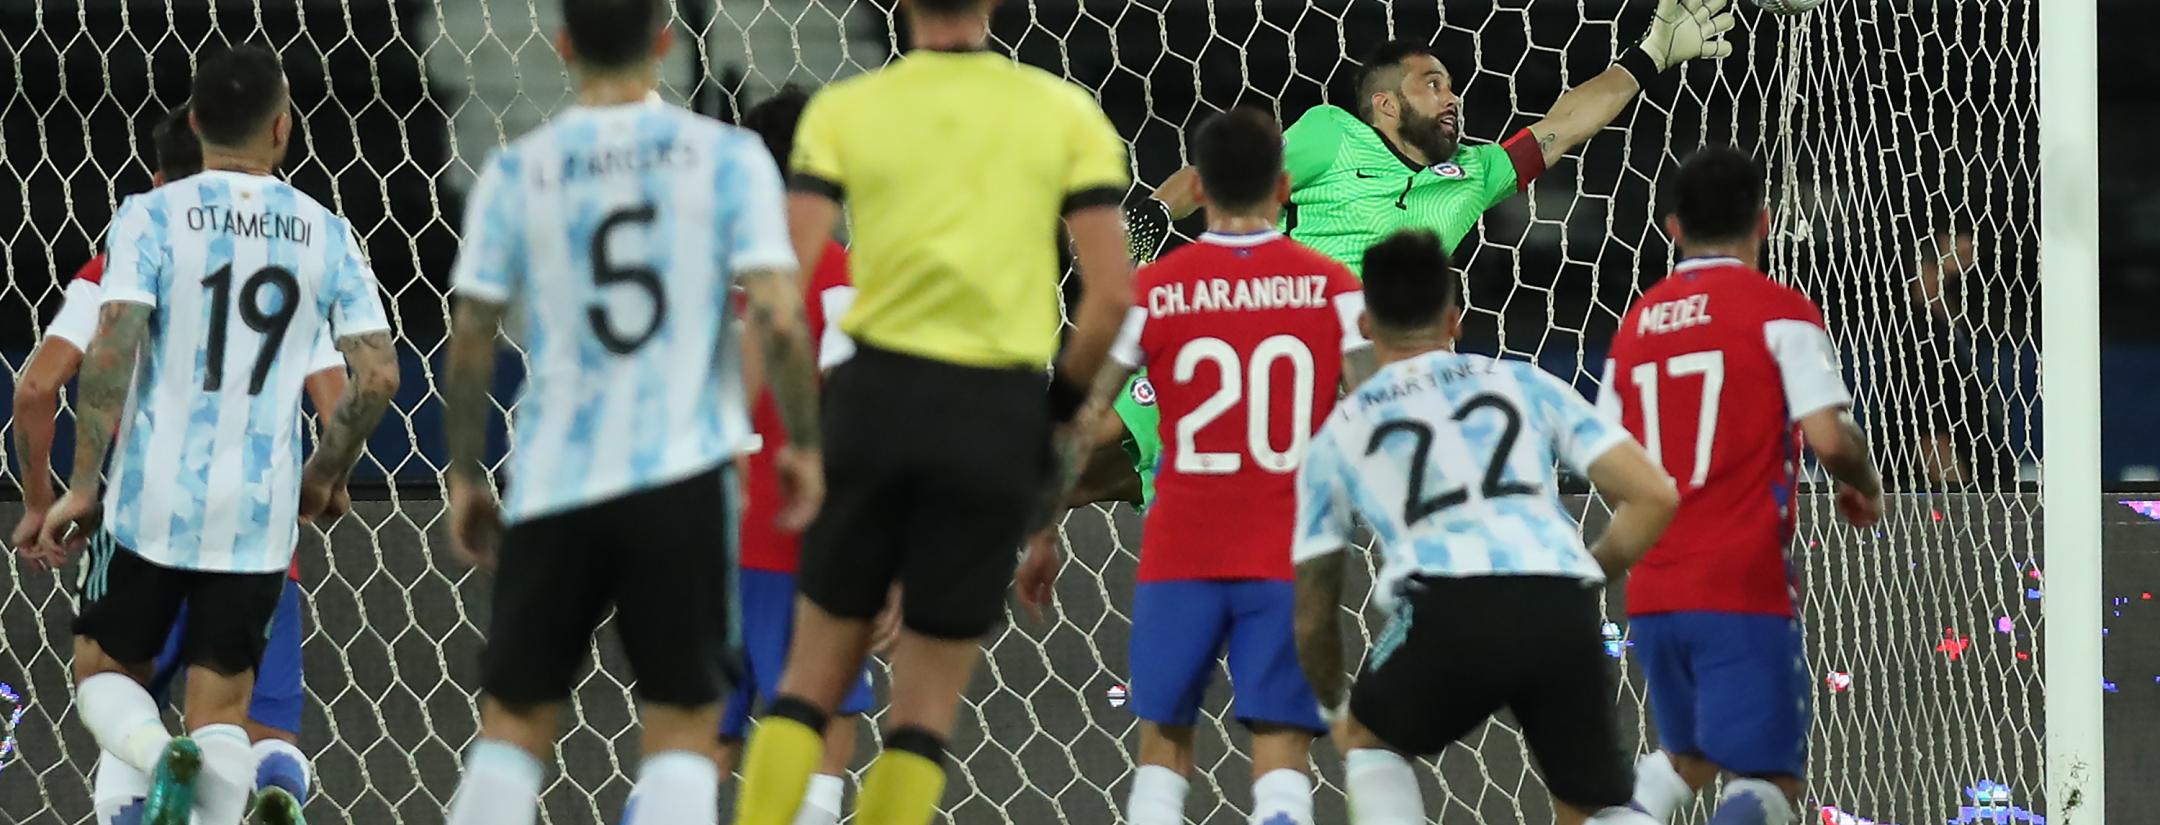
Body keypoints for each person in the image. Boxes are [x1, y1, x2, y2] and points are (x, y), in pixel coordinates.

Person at [729, 0, 1136, 820]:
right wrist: (1049, 417)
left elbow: (777, 294)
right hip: (993, 410)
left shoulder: (846, 111)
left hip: (873, 402)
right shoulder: (1063, 111)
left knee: (807, 686)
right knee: (921, 714)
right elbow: (1111, 301)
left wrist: (800, 439)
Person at [436, 0, 824, 822]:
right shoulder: (725, 159)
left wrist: (465, 473)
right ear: (666, 41)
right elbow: (782, 317)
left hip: (552, 478)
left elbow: (470, 335)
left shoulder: (518, 168)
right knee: (684, 728)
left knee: (511, 723)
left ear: (563, 44)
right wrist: (804, 445)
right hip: (681, 475)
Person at [34, 43, 402, 825]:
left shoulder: (149, 216)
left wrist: (83, 483)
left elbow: (113, 348)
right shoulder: (325, 232)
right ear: (283, 128)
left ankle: (154, 755)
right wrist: (325, 474)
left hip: (151, 502)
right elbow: (376, 377)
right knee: (226, 711)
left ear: (195, 123)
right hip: (259, 515)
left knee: (105, 675)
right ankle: (236, 793)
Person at [1043, 108, 1367, 825]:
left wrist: (1040, 526)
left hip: (1181, 548)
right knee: (1282, 744)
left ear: (1197, 184)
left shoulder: (1153, 293)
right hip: (1289, 549)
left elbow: (1078, 416)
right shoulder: (1334, 290)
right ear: (1285, 188)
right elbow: (1380, 407)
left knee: (1164, 739)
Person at [1290, 230, 1678, 825]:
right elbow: (1653, 494)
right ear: (1454, 320)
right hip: (1559, 602)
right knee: (1589, 806)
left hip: (1448, 604)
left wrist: (1334, 706)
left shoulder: (1342, 431)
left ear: (1365, 325)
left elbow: (1313, 608)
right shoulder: (1523, 383)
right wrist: (1587, 574)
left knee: (1369, 742)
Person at [1597, 147, 1883, 825]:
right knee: (1769, 777)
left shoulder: (1636, 325)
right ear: (1765, 220)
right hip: (1743, 585)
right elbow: (1830, 437)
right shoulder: (1779, 310)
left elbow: (1607, 461)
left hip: (1656, 591)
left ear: (1673, 227)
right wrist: (1865, 483)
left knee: (1687, 755)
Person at [1145, 0, 1737, 271]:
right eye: (1432, 85)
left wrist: (1649, 57)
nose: (1452, 97)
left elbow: (1564, 125)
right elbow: (1211, 180)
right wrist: (1140, 234)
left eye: (1452, 86)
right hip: (1277, 330)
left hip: (1377, 369)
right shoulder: (1333, 133)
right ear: (1385, 103)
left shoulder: (1474, 174)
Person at [719, 84, 876, 825]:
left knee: (702, 739)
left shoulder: (707, 263)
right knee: (827, 708)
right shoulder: (833, 269)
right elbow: (854, 405)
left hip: (705, 535)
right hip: (797, 536)